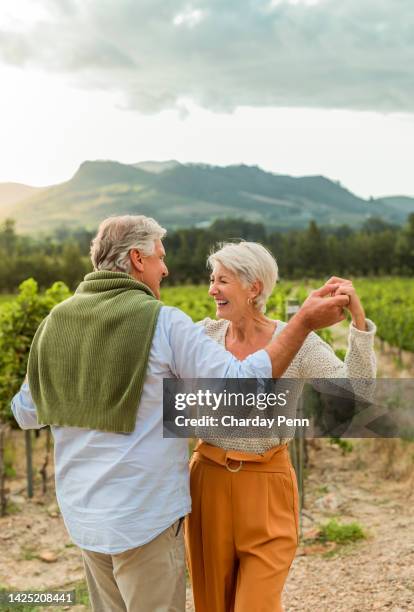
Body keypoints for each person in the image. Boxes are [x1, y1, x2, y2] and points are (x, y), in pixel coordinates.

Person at [12, 216, 349, 612]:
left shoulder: (55, 323)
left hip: (84, 518)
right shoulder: (163, 322)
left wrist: (84, 380)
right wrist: (304, 322)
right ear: (137, 259)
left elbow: (25, 413)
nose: (166, 269)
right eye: (160, 257)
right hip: (144, 517)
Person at [185, 241, 376, 612]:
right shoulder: (200, 337)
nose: (212, 289)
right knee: (212, 604)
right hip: (207, 481)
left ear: (253, 287)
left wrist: (359, 326)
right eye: (212, 279)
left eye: (222, 281)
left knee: (257, 604)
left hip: (268, 484)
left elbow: (356, 396)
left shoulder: (297, 341)